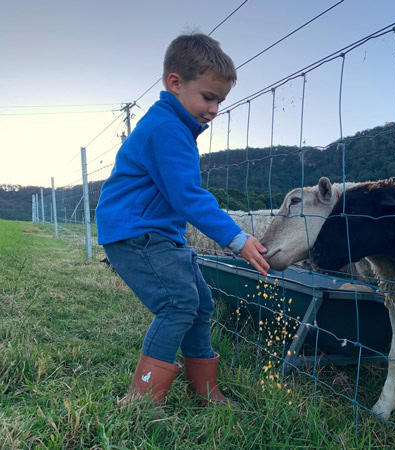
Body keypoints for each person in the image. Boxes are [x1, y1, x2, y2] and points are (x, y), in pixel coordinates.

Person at [96, 33, 270, 406]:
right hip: (135, 233)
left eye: (220, 101)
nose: (214, 109)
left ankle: (203, 388)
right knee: (177, 302)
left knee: (201, 303)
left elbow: (179, 196)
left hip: (159, 233)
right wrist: (237, 238)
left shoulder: (175, 126)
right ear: (175, 83)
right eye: (209, 97)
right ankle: (141, 400)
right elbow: (187, 196)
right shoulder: (167, 129)